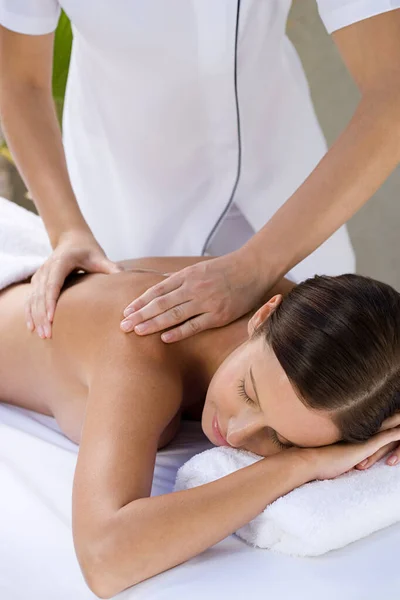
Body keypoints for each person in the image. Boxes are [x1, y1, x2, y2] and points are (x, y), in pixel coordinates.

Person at [1, 252, 400, 597]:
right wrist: (297, 465)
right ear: (263, 315)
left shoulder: (318, 327)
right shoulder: (142, 345)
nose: (239, 433)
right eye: (248, 392)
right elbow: (103, 559)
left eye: (280, 438)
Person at [1, 3, 400, 343]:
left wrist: (256, 266)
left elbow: (393, 90)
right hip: (124, 191)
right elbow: (19, 78)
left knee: (330, 368)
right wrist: (68, 230)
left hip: (287, 185)